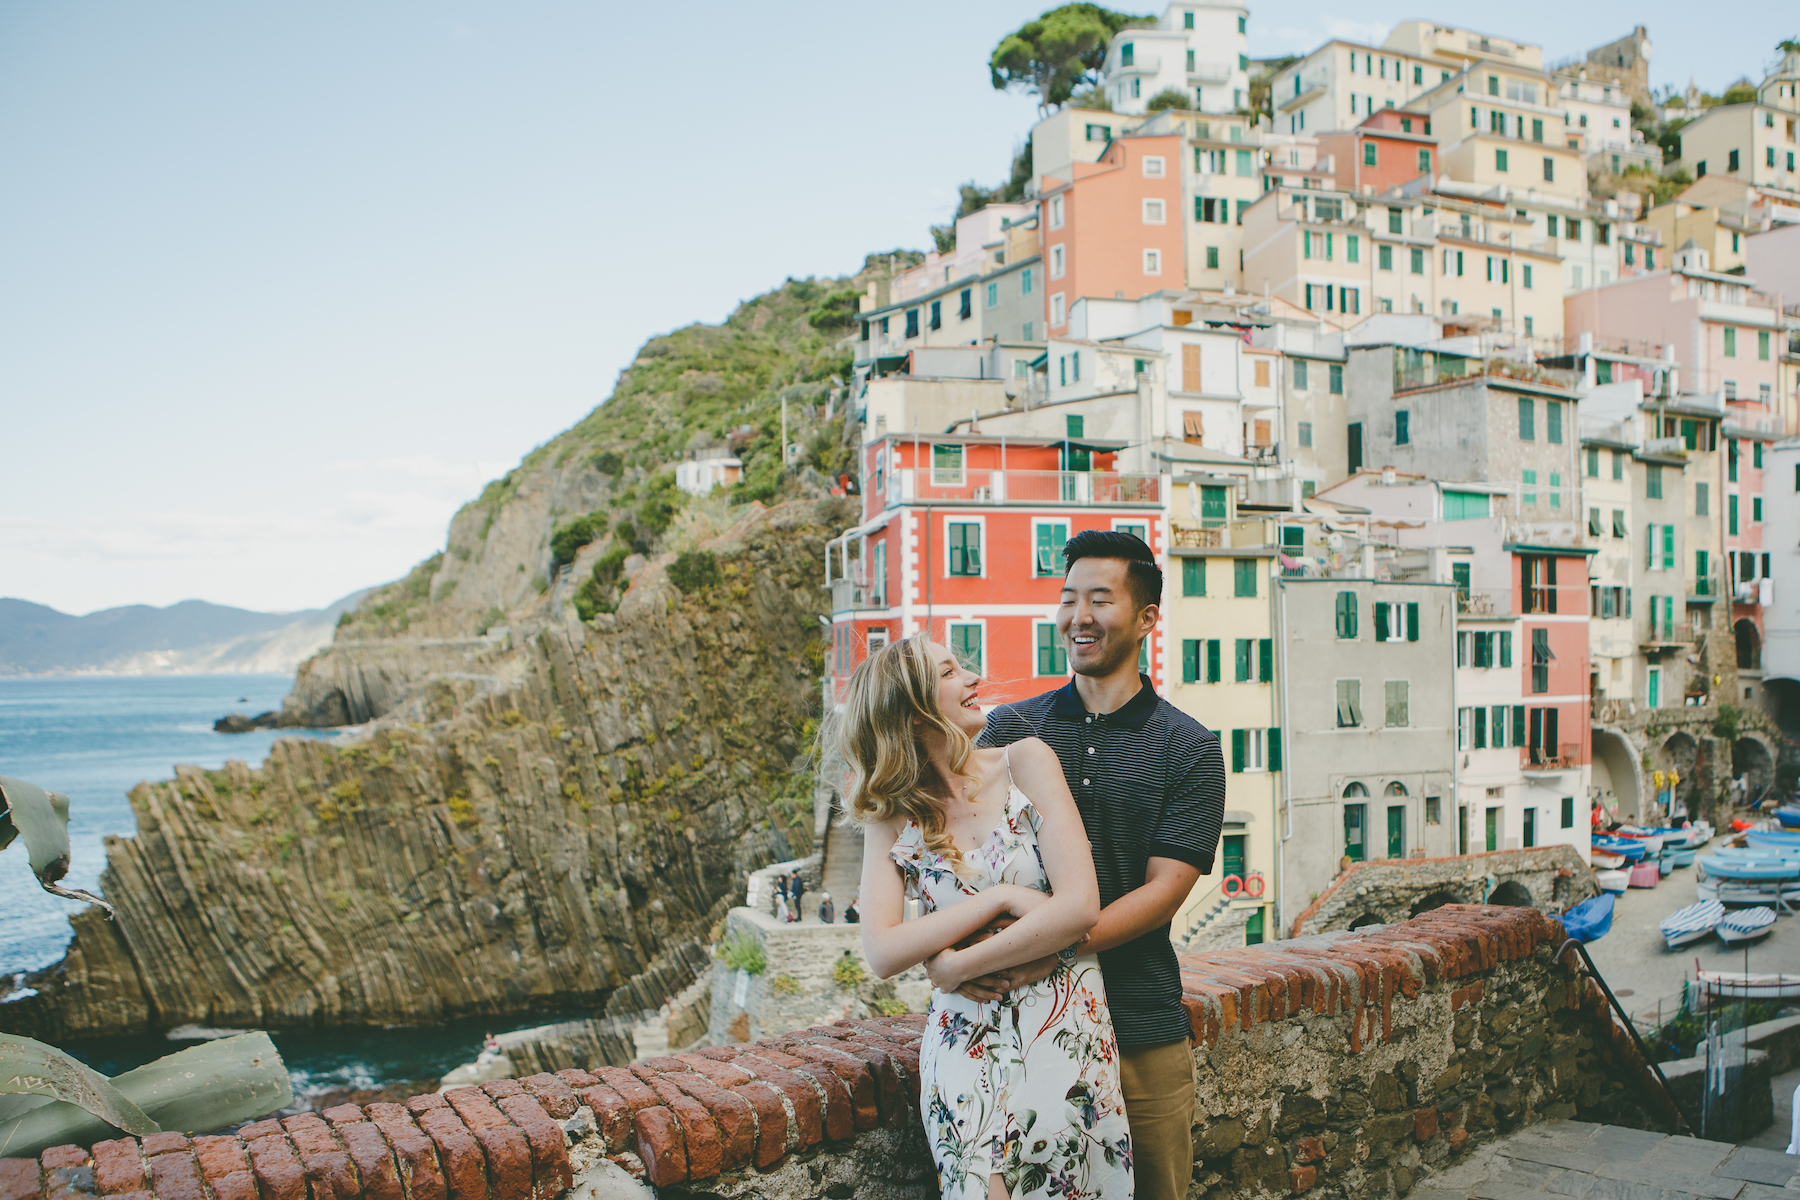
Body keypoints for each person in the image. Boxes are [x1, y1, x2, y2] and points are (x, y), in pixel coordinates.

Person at [971, 530, 1225, 1200]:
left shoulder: (1190, 749)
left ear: (1146, 618)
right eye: (1067, 599)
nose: (1077, 616)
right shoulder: (1007, 732)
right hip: (1016, 1026)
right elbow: (963, 858)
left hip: (1140, 1025)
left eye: (1099, 600)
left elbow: (1164, 891)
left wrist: (1046, 948)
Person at [837, 634, 1130, 1200]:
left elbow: (1079, 908)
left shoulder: (1027, 763)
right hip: (962, 1040)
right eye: (949, 673)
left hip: (1063, 1027)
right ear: (912, 709)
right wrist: (999, 900)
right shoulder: (891, 815)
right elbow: (882, 949)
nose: (973, 679)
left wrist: (955, 965)